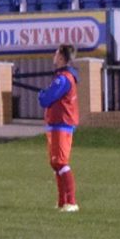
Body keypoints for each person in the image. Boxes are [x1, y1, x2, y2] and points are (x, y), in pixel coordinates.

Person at [37, 44, 82, 211]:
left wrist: (42, 95)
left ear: (62, 57)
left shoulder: (63, 79)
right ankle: (62, 201)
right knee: (56, 163)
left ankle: (71, 202)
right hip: (56, 124)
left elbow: (46, 99)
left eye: (56, 53)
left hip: (61, 124)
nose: (54, 56)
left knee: (61, 162)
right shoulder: (62, 77)